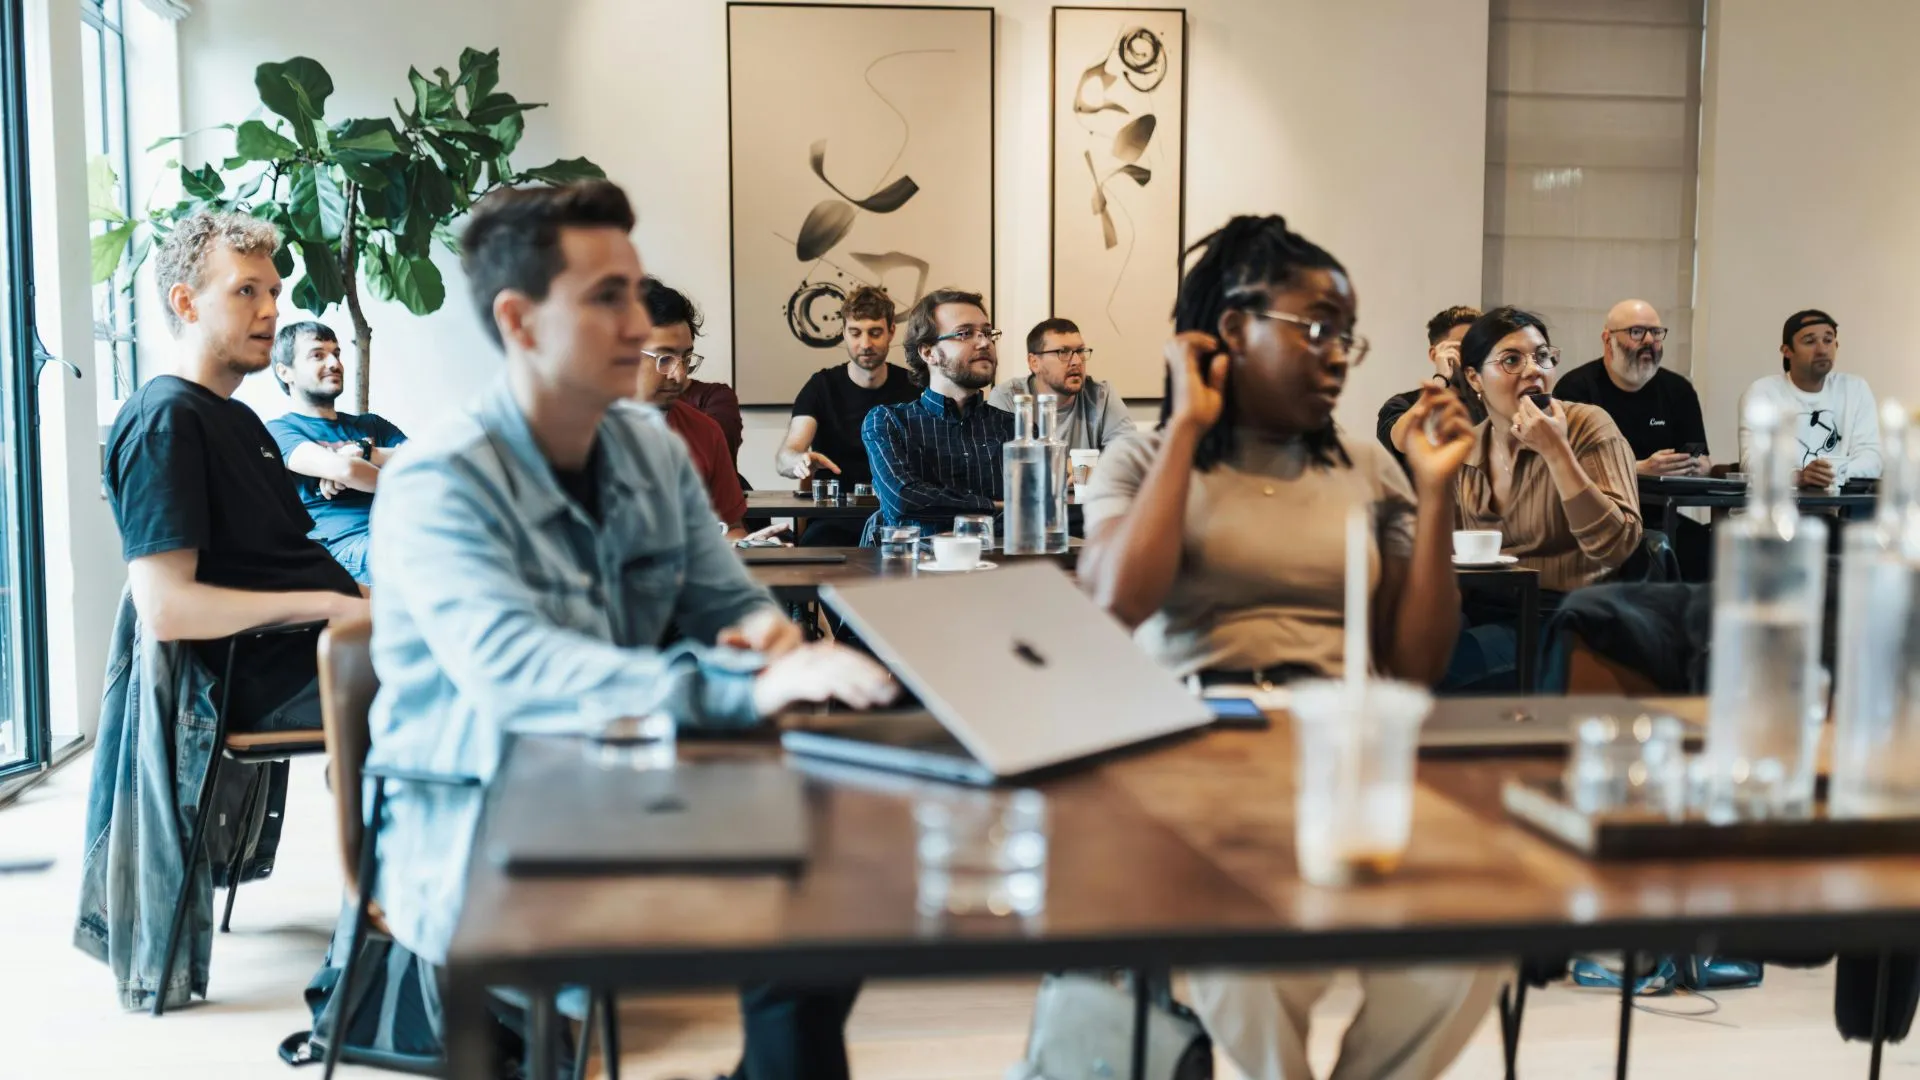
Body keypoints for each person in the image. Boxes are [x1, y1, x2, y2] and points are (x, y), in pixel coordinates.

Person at [365, 180, 898, 1079]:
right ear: (519, 321)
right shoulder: (440, 479)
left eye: (637, 294)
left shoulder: (650, 448)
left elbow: (726, 600)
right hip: (481, 816)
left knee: (835, 863)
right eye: (607, 298)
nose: (641, 326)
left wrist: (776, 643)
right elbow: (517, 671)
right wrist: (745, 684)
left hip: (635, 778)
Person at [1079, 214, 1500, 1080]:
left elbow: (1416, 664)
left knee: (1473, 935)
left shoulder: (1366, 468)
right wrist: (1187, 429)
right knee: (1252, 952)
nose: (1339, 356)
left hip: (1336, 743)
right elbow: (1117, 602)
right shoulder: (1143, 458)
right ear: (1234, 330)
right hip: (1197, 745)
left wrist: (1435, 494)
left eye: (1349, 336)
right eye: (1318, 330)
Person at [104, 210, 368, 731]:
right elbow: (167, 609)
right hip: (273, 675)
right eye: (246, 291)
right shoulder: (163, 422)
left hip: (322, 644)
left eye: (273, 292)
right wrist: (337, 607)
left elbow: (288, 560)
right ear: (186, 303)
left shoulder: (242, 420)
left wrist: (379, 603)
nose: (271, 310)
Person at [1448, 307, 1643, 689]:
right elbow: (1445, 553)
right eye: (1511, 360)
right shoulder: (1466, 448)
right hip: (1483, 611)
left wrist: (1557, 452)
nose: (1534, 370)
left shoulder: (1588, 425)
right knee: (1397, 654)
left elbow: (1617, 545)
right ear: (1473, 377)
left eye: (1542, 356)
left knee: (1446, 669)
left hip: (1567, 619)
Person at [861, 288, 1015, 537]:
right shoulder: (889, 422)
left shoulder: (1016, 428)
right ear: (928, 352)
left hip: (997, 560)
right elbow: (903, 499)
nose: (984, 342)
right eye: (965, 333)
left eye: (987, 333)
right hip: (912, 560)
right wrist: (994, 506)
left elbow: (1035, 509)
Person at [264, 321, 408, 585]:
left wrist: (366, 452)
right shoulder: (279, 431)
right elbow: (345, 470)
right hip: (346, 550)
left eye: (336, 354)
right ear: (285, 372)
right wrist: (351, 468)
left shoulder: (371, 425)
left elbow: (425, 464)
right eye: (318, 355)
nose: (334, 363)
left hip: (401, 529)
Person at [776, 285, 920, 545]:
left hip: (900, 518)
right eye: (855, 333)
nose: (865, 344)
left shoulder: (915, 388)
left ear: (891, 332)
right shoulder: (821, 387)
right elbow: (786, 456)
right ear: (843, 332)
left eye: (875, 332)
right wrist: (799, 461)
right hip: (833, 520)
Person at [637, 276, 753, 537]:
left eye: (686, 358)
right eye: (664, 358)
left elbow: (731, 528)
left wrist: (746, 546)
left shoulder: (705, 432)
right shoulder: (575, 435)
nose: (679, 375)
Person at [1551, 299, 1710, 476]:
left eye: (1656, 332)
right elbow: (1562, 465)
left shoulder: (1679, 390)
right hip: (1600, 494)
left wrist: (1691, 465)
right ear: (1608, 340)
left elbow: (1702, 460)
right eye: (1636, 332)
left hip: (1666, 494)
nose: (1649, 340)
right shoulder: (1575, 388)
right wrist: (1639, 469)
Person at [1739, 309, 1882, 488]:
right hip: (1783, 501)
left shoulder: (1855, 389)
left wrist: (1828, 474)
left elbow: (1872, 458)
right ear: (1787, 351)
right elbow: (1752, 462)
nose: (1822, 350)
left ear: (1836, 345)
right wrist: (1798, 477)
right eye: (1809, 341)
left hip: (1840, 504)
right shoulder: (1763, 392)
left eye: (1828, 340)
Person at [986, 317, 1137, 451]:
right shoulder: (1008, 398)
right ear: (1034, 362)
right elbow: (999, 465)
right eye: (1063, 352)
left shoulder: (1101, 396)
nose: (1077, 361)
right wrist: (1080, 467)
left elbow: (1129, 458)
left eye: (1080, 351)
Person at [1376, 305, 1481, 472]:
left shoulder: (1495, 405)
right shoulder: (1402, 404)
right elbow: (1403, 441)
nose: (1472, 356)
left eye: (1478, 348)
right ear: (1435, 354)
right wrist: (1440, 380)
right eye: (1463, 347)